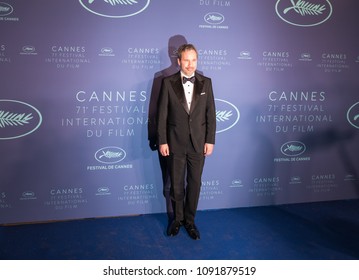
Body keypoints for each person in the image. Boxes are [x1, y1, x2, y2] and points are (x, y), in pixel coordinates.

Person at [157, 43, 216, 240]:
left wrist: (210, 140)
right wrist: (163, 141)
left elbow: (211, 115)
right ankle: (177, 220)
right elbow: (162, 115)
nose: (190, 65)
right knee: (175, 184)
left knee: (195, 184)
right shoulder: (167, 82)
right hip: (174, 142)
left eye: (194, 60)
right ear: (178, 61)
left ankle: (190, 222)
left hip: (198, 144)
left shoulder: (206, 82)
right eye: (186, 60)